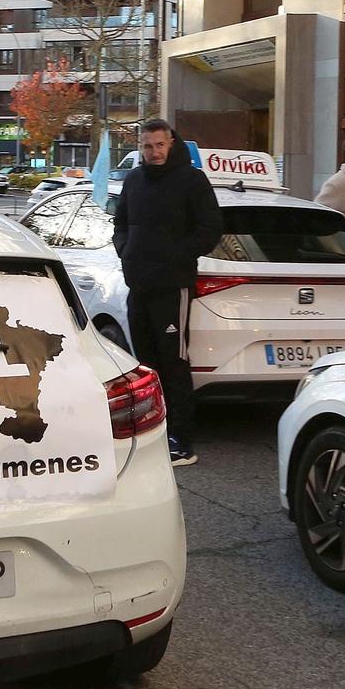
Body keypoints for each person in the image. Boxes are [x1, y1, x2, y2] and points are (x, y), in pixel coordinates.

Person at [112, 118, 223, 467]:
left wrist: (175, 254)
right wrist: (125, 249)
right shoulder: (133, 180)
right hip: (139, 285)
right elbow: (120, 223)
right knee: (145, 365)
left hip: (172, 288)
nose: (154, 152)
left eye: (160, 145)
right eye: (147, 146)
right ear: (140, 146)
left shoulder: (191, 181)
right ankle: (153, 433)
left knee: (174, 364)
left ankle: (182, 441)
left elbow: (211, 229)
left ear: (171, 143)